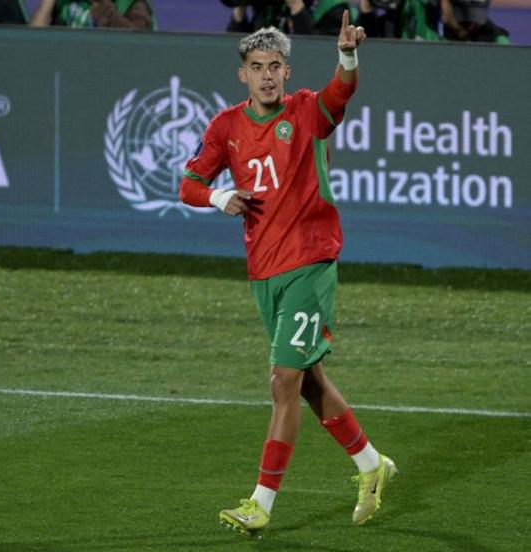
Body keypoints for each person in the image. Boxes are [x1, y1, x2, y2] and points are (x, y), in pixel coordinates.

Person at [179, 13, 397, 535]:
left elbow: (339, 95)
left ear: (287, 71)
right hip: (264, 271)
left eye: (275, 66)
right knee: (307, 382)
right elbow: (189, 183)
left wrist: (347, 56)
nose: (268, 76)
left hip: (310, 262)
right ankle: (371, 464)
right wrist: (219, 195)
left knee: (282, 380)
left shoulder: (304, 112)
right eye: (258, 67)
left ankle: (261, 503)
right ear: (243, 75)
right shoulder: (226, 127)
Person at [221, 0, 351, 36]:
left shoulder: (334, 7)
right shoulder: (268, 6)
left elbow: (317, 59)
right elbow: (234, 55)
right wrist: (240, 8)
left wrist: (295, 5)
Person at [29, 0, 154, 29]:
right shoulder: (66, 4)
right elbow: (30, 45)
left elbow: (139, 46)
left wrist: (106, 13)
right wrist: (47, 3)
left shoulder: (132, 4)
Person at [440, 0, 509, 43]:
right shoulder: (430, 31)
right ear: (444, 3)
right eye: (465, 22)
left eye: (476, 18)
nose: (471, 27)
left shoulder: (496, 40)